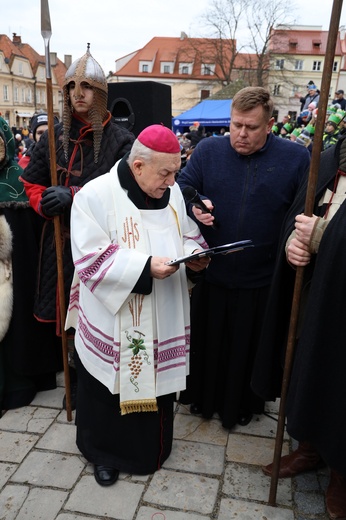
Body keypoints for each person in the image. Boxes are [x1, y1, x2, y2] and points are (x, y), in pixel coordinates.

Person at [65, 124, 209, 486]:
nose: (173, 181)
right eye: (166, 172)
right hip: (112, 317)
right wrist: (144, 268)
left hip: (164, 310)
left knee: (156, 381)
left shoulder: (173, 193)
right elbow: (89, 259)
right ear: (139, 165)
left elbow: (188, 234)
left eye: (176, 171)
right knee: (106, 388)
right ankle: (104, 454)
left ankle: (154, 449)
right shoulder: (95, 196)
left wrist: (195, 255)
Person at [176, 86, 310, 430]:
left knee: (247, 349)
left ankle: (243, 404)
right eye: (236, 125)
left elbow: (302, 212)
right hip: (213, 271)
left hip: (261, 276)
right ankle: (203, 401)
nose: (241, 134)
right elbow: (183, 186)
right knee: (209, 345)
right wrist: (195, 202)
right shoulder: (208, 150)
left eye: (251, 127)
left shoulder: (296, 159)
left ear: (270, 125)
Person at [20, 45, 135, 410]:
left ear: (100, 94)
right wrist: (45, 202)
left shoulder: (120, 141)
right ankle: (73, 383)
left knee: (96, 314)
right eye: (71, 87)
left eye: (86, 87)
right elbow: (31, 183)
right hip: (59, 243)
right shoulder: (55, 135)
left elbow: (125, 191)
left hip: (102, 249)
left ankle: (93, 384)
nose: (77, 94)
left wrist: (75, 194)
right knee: (64, 314)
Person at [252, 135, 346, 520]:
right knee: (308, 357)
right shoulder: (329, 158)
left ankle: (342, 471)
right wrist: (293, 241)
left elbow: (325, 231)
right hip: (316, 291)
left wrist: (322, 237)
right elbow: (301, 215)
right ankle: (309, 446)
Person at [0, 116, 62, 414]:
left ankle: (19, 383)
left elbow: (35, 234)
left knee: (18, 324)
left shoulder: (19, 180)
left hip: (18, 271)